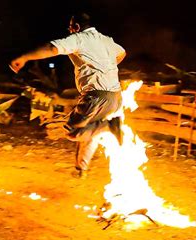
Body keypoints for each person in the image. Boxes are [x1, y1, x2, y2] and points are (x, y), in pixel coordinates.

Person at [10, 12, 126, 178]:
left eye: (70, 27)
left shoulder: (79, 38)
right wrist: (105, 67)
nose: (69, 30)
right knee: (91, 130)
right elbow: (122, 53)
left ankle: (109, 126)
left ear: (76, 27)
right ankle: (81, 169)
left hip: (96, 95)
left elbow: (52, 48)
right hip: (115, 97)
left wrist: (24, 57)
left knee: (72, 131)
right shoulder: (106, 40)